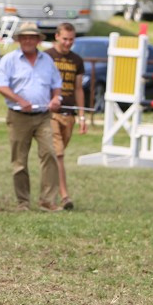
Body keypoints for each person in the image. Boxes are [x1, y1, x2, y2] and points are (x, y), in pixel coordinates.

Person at [0, 21, 64, 212]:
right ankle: (23, 202)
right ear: (19, 40)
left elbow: (57, 83)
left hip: (43, 116)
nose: (28, 41)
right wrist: (19, 99)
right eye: (24, 37)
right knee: (19, 161)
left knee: (50, 153)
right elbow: (0, 85)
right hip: (18, 116)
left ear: (38, 40)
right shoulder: (9, 59)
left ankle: (47, 200)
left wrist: (56, 98)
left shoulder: (47, 61)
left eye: (32, 37)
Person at [47, 22, 88, 209]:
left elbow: (79, 88)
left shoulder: (77, 61)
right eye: (65, 39)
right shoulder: (46, 57)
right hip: (51, 113)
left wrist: (81, 116)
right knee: (59, 154)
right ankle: (64, 196)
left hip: (69, 113)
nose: (68, 43)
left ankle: (50, 193)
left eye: (71, 39)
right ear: (57, 36)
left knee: (57, 157)